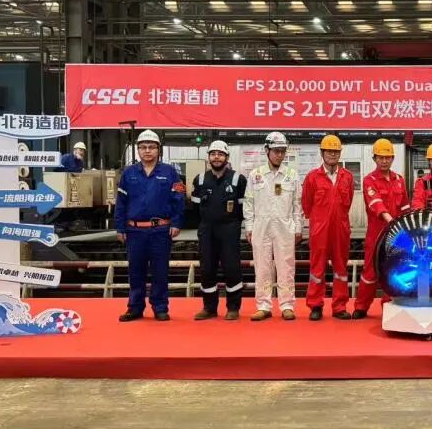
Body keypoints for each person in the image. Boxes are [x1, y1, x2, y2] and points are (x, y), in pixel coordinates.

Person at [114, 130, 185, 322]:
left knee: (160, 271)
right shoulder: (128, 173)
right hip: (134, 231)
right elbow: (121, 202)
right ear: (137, 150)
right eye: (143, 147)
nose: (147, 151)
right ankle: (135, 307)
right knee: (135, 271)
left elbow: (179, 199)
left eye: (151, 147)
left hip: (160, 231)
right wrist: (120, 227)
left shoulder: (170, 173)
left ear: (158, 150)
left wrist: (176, 222)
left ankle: (160, 307)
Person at [244, 132, 302, 321]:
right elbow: (249, 202)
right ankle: (263, 305)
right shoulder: (255, 175)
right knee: (262, 267)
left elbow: (297, 204)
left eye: (282, 151)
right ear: (266, 150)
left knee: (286, 267)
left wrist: (298, 227)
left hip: (285, 226)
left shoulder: (292, 175)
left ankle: (287, 305)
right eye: (276, 151)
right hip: (261, 227)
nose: (279, 155)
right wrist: (249, 227)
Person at [353, 137, 409, 319]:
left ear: (392, 158)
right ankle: (361, 306)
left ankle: (390, 306)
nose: (384, 161)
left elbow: (405, 207)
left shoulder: (399, 180)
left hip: (397, 235)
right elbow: (375, 203)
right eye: (380, 157)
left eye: (387, 157)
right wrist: (390, 219)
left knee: (395, 269)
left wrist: (407, 227)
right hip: (376, 234)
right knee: (370, 271)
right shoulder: (369, 180)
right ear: (374, 159)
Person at [191, 140, 247, 321]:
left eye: (220, 154)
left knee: (232, 269)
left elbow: (244, 209)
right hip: (207, 231)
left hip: (230, 230)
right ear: (208, 157)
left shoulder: (238, 179)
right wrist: (205, 225)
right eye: (213, 154)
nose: (217, 157)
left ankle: (233, 307)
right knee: (207, 269)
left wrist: (233, 225)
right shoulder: (200, 180)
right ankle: (209, 308)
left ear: (227, 157)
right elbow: (194, 209)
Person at [302, 134, 355, 321]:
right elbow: (306, 205)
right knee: (317, 268)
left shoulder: (347, 177)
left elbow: (348, 203)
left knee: (341, 268)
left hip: (341, 229)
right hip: (319, 230)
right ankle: (315, 305)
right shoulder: (312, 177)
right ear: (322, 153)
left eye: (335, 151)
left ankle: (339, 306)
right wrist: (319, 221)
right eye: (329, 151)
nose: (332, 154)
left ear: (340, 153)